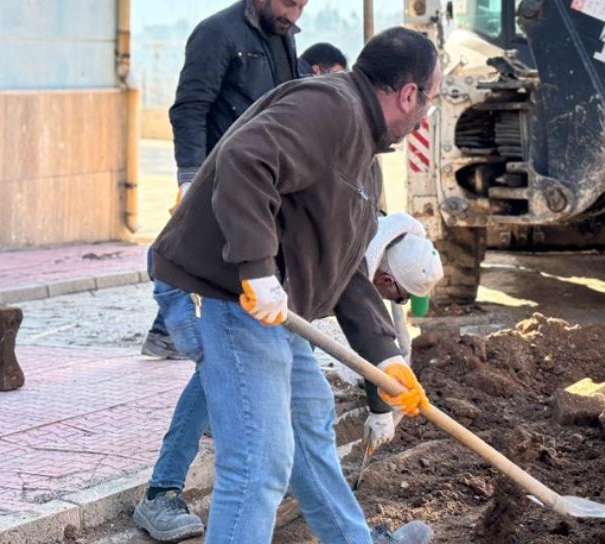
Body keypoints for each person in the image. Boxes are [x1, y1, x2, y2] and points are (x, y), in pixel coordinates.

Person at [140, 26, 442, 544]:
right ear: (408, 93)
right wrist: (256, 268)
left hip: (280, 304)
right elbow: (244, 160)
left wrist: (384, 356)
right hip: (236, 294)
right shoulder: (328, 108)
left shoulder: (364, 145)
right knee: (260, 462)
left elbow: (345, 259)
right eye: (429, 102)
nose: (425, 117)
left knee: (310, 432)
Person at [134, 213, 443, 542]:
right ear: (385, 280)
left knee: (310, 420)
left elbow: (364, 312)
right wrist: (379, 404)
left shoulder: (368, 219)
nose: (391, 301)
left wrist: (388, 367)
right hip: (238, 288)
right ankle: (161, 491)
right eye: (397, 296)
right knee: (258, 459)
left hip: (278, 296)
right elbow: (359, 299)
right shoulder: (353, 234)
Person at [142, 0, 312, 358]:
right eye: (288, 3)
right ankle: (181, 339)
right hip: (219, 176)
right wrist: (189, 177)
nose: (294, 15)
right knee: (198, 261)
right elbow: (188, 108)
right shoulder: (217, 33)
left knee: (229, 269)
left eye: (301, 6)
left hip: (263, 178)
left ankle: (192, 345)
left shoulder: (283, 37)